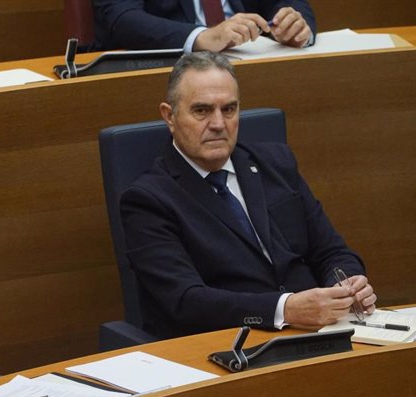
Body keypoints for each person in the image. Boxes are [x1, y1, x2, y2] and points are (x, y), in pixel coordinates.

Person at [120, 51, 376, 339]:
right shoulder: (148, 200)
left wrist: (346, 284)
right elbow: (186, 302)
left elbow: (331, 251)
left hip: (319, 331)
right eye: (202, 111)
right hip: (230, 344)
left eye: (229, 109)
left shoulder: (276, 163)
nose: (218, 124)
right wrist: (285, 309)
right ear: (169, 116)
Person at [92, 0, 316, 52]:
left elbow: (290, 1)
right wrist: (201, 38)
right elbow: (121, 18)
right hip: (169, 68)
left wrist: (294, 25)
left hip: (250, 55)